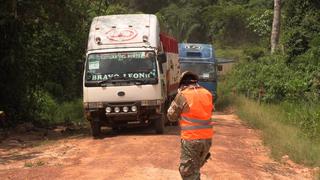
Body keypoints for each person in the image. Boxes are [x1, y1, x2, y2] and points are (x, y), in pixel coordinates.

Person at [167, 71, 213, 180]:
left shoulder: (182, 95)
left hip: (191, 138)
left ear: (182, 84)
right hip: (207, 139)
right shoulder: (207, 93)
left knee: (187, 171)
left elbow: (171, 116)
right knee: (195, 168)